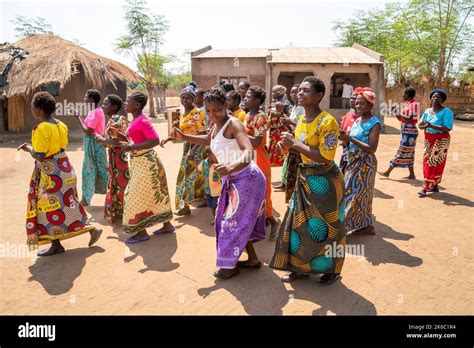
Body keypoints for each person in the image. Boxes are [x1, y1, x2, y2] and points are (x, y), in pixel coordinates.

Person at [171, 87, 266, 280]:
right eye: (209, 111)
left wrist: (231, 167)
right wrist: (184, 137)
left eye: (217, 110)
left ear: (225, 106)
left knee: (229, 223)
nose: (212, 114)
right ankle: (253, 259)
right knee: (239, 221)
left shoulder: (234, 124)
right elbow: (208, 139)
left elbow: (249, 152)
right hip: (234, 179)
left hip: (247, 179)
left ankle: (228, 266)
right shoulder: (216, 125)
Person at [270, 77, 345, 285]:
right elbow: (300, 147)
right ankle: (300, 267)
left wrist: (294, 143)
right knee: (299, 225)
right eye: (299, 90)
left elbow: (326, 156)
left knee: (327, 227)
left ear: (319, 96)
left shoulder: (328, 122)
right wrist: (286, 146)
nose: (300, 93)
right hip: (305, 179)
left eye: (306, 90)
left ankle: (331, 270)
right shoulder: (302, 119)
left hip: (326, 181)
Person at [20, 92, 102, 256]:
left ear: (40, 109)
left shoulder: (41, 128)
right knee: (68, 204)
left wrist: (27, 148)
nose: (32, 109)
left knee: (47, 207)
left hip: (50, 173)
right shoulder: (60, 124)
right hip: (64, 168)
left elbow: (40, 155)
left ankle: (56, 245)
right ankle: (91, 229)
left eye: (33, 106)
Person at [116, 92, 174, 244]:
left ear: (137, 105)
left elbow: (154, 140)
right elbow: (135, 138)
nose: (125, 102)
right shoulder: (135, 119)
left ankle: (141, 232)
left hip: (147, 165)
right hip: (139, 163)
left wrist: (131, 147)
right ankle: (167, 224)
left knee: (133, 196)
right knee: (154, 194)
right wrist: (122, 138)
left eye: (128, 100)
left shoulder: (142, 120)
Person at [339, 87, 381, 235]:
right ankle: (365, 225)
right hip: (353, 161)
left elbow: (371, 148)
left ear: (371, 105)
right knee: (352, 193)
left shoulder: (374, 123)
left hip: (365, 164)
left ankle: (348, 227)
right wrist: (345, 141)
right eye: (357, 103)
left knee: (360, 194)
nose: (357, 106)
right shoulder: (358, 121)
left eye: (362, 103)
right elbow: (353, 141)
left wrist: (349, 138)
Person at [243, 86, 280, 237]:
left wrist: (239, 133)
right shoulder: (247, 116)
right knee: (250, 191)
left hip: (259, 157)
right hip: (248, 156)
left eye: (248, 96)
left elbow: (257, 141)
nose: (244, 98)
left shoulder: (260, 117)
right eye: (244, 96)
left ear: (257, 101)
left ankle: (273, 221)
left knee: (262, 191)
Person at [95, 94, 129, 224]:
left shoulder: (118, 120)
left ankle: (124, 211)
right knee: (116, 182)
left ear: (114, 106)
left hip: (121, 156)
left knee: (121, 182)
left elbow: (121, 140)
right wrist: (104, 141)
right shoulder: (112, 119)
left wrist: (103, 140)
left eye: (105, 103)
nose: (103, 106)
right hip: (115, 156)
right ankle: (118, 211)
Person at [174, 85, 207, 215]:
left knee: (189, 176)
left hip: (197, 147)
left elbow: (203, 133)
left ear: (193, 99)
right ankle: (191, 202)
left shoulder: (198, 113)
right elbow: (183, 130)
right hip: (187, 146)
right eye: (182, 98)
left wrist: (193, 151)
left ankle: (186, 206)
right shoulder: (182, 111)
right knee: (189, 176)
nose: (184, 100)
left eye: (187, 98)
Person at [74, 89, 109, 206]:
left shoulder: (95, 113)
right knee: (101, 170)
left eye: (86, 96)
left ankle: (85, 200)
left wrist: (76, 117)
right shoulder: (96, 111)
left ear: (91, 99)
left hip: (94, 145)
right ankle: (112, 195)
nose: (84, 98)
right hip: (96, 145)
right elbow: (88, 126)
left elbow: (88, 131)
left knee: (88, 171)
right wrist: (80, 117)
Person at [417, 89, 453, 198]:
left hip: (441, 139)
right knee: (426, 161)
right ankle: (435, 184)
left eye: (437, 97)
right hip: (429, 139)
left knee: (433, 162)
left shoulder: (446, 111)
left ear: (442, 99)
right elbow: (421, 124)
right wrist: (422, 126)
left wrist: (430, 126)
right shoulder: (427, 111)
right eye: (433, 97)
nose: (435, 98)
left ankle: (426, 187)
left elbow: (447, 128)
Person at [378, 87, 419, 179]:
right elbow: (401, 119)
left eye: (404, 94)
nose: (403, 96)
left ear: (408, 95)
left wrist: (399, 112)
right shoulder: (408, 105)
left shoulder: (414, 104)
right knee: (409, 152)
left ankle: (388, 172)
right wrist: (395, 112)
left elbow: (410, 119)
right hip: (406, 131)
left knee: (402, 151)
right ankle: (412, 174)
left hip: (410, 131)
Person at [275, 84, 305, 197]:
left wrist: (291, 122)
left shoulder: (302, 109)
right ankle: (287, 187)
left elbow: (303, 127)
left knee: (295, 169)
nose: (293, 95)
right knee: (288, 166)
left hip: (298, 142)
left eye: (296, 92)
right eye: (291, 92)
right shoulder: (294, 108)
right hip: (292, 139)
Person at [197, 147, 221, 224]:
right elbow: (199, 169)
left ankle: (219, 219)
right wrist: (193, 160)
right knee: (210, 205)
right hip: (208, 189)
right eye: (215, 154)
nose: (217, 156)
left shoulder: (220, 164)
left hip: (218, 190)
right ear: (208, 155)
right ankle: (215, 218)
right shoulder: (204, 163)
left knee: (216, 205)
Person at [339, 91, 360, 174]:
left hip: (358, 154)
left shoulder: (364, 118)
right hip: (346, 152)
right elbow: (341, 132)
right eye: (351, 98)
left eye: (354, 98)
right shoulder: (347, 115)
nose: (351, 100)